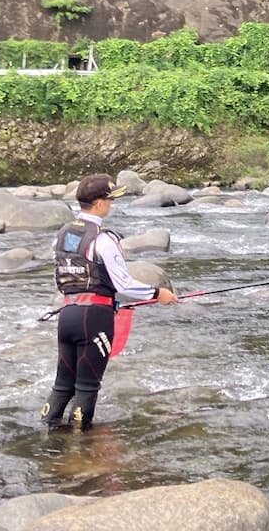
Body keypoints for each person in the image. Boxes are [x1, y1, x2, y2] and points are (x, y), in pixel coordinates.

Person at [39, 173, 176, 429]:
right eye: (109, 200)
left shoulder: (62, 234)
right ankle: (80, 450)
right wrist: (159, 294)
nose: (111, 205)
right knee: (87, 387)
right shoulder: (103, 238)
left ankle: (46, 435)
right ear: (100, 203)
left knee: (62, 385)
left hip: (67, 314)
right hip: (94, 319)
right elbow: (123, 283)